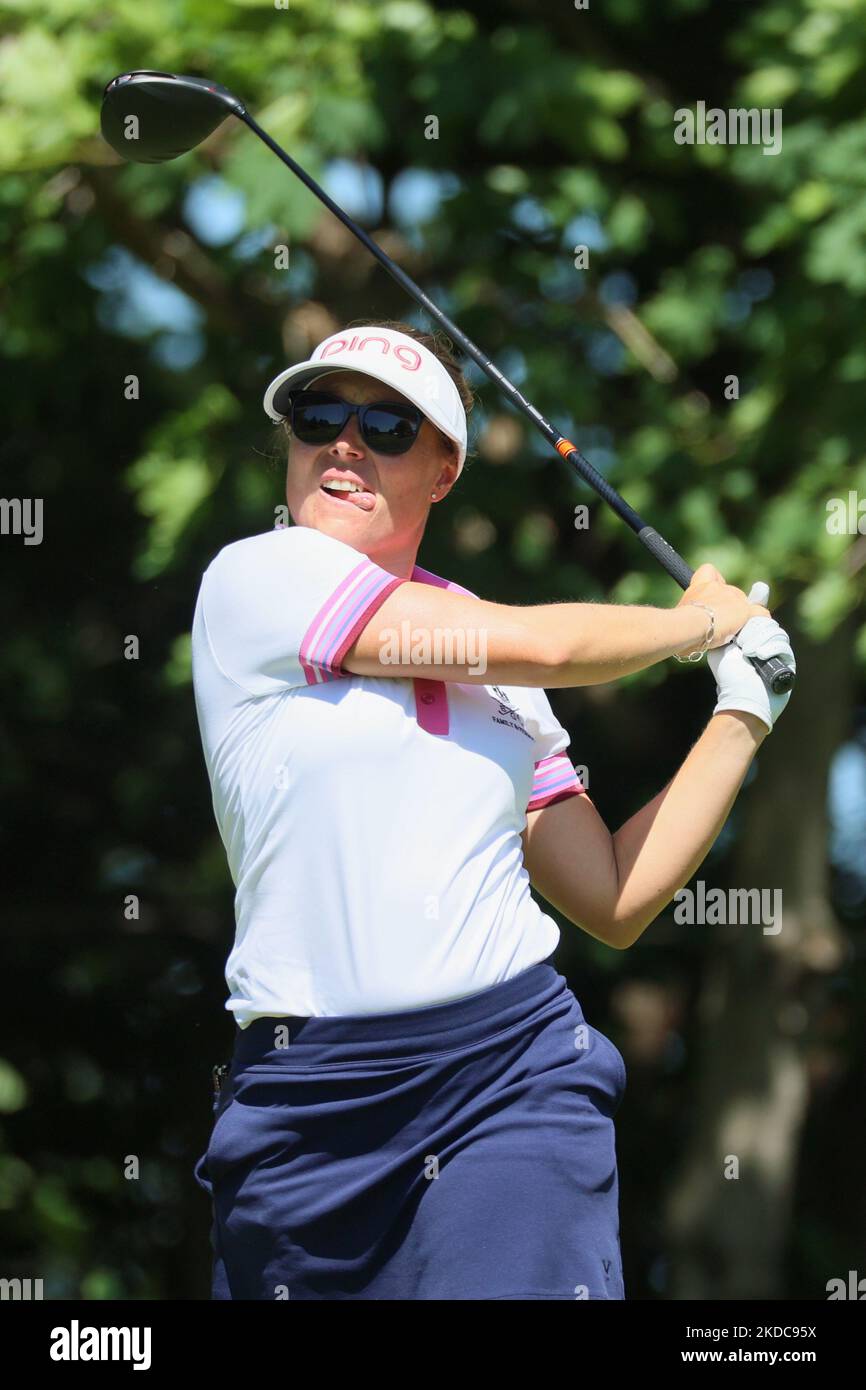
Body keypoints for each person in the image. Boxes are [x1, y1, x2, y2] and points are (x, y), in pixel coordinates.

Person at [190, 319, 796, 1300]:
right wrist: (698, 625)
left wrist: (741, 710)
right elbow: (542, 645)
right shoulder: (258, 577)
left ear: (441, 471)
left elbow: (609, 895)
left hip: (505, 1075)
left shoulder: (506, 686)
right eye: (319, 415)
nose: (344, 442)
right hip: (305, 1101)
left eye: (386, 427)